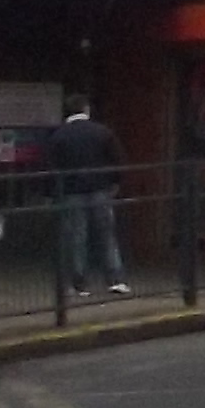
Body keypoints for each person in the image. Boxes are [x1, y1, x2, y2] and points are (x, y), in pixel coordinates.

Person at [49, 94, 131, 297]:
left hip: (71, 192)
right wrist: (115, 183)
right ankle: (115, 279)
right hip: (100, 189)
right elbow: (118, 159)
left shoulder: (59, 136)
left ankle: (79, 283)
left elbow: (50, 167)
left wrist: (51, 192)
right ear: (86, 109)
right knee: (106, 235)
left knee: (76, 238)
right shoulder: (102, 132)